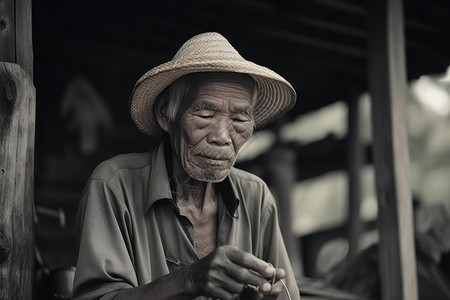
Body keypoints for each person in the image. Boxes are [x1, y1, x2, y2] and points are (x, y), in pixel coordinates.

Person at [72, 32, 300, 300]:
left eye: (239, 119)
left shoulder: (256, 197)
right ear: (166, 114)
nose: (223, 137)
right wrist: (189, 279)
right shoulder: (114, 186)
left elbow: (285, 294)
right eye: (205, 115)